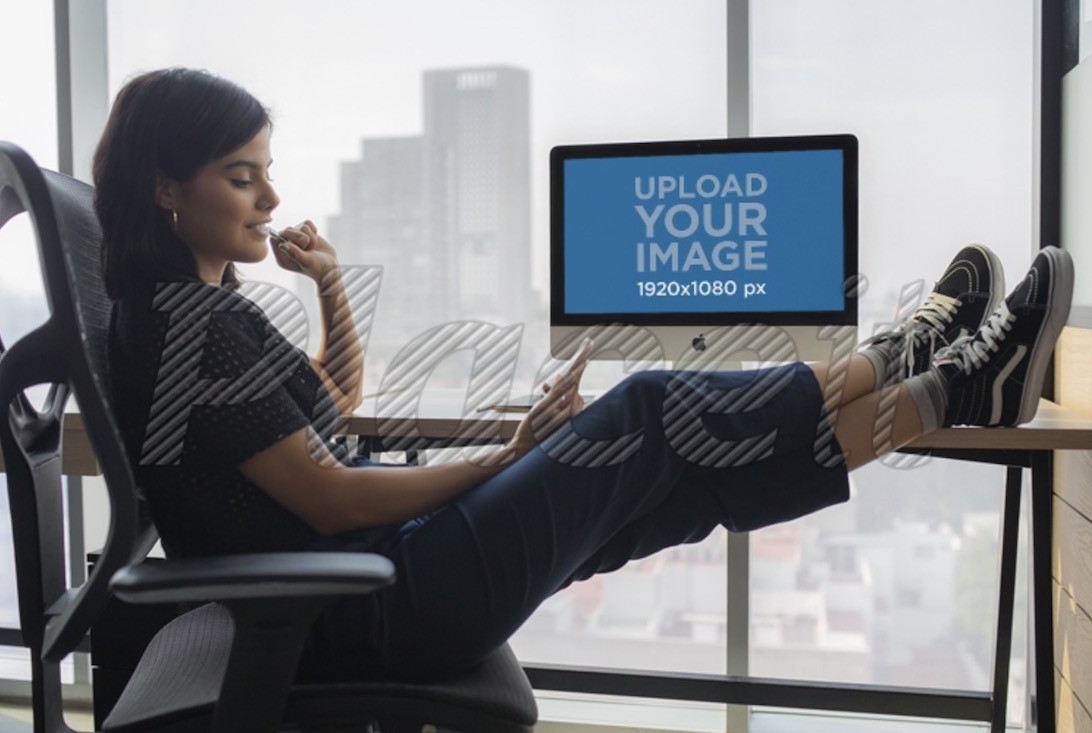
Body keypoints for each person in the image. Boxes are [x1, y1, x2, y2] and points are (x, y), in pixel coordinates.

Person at [94, 67, 1074, 683]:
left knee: (679, 478)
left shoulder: (203, 314)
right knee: (644, 406)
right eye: (241, 175)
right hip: (365, 605)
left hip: (375, 575)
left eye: (267, 169)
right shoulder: (187, 325)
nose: (272, 195)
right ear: (163, 187)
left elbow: (333, 410)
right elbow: (335, 494)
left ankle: (944, 389)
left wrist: (333, 284)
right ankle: (897, 357)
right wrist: (517, 453)